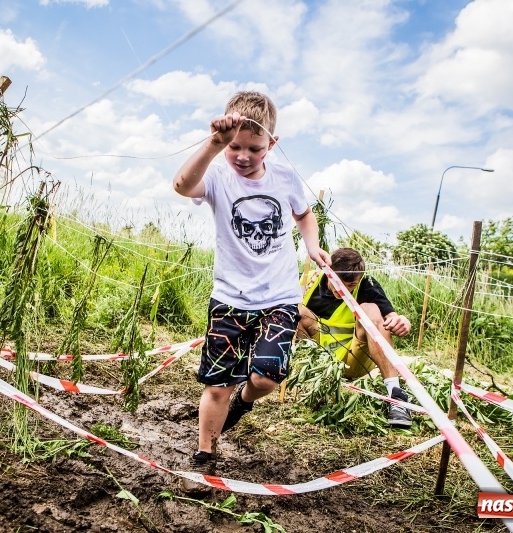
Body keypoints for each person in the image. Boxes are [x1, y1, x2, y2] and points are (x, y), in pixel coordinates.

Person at [172, 91, 331, 491]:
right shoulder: (217, 175)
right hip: (229, 298)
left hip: (279, 298)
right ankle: (205, 454)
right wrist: (214, 144)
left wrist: (312, 246)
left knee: (267, 378)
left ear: (271, 144)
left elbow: (304, 214)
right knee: (217, 385)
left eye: (254, 149)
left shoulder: (284, 178)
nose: (243, 156)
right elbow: (182, 186)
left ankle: (243, 402)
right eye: (235, 147)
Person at [297, 247, 413, 428]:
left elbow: (392, 317)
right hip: (321, 360)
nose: (342, 290)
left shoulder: (367, 284)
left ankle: (396, 396)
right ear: (328, 272)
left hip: (354, 359)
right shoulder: (309, 280)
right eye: (338, 282)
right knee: (294, 309)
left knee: (370, 309)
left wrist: (402, 322)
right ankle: (304, 379)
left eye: (350, 285)